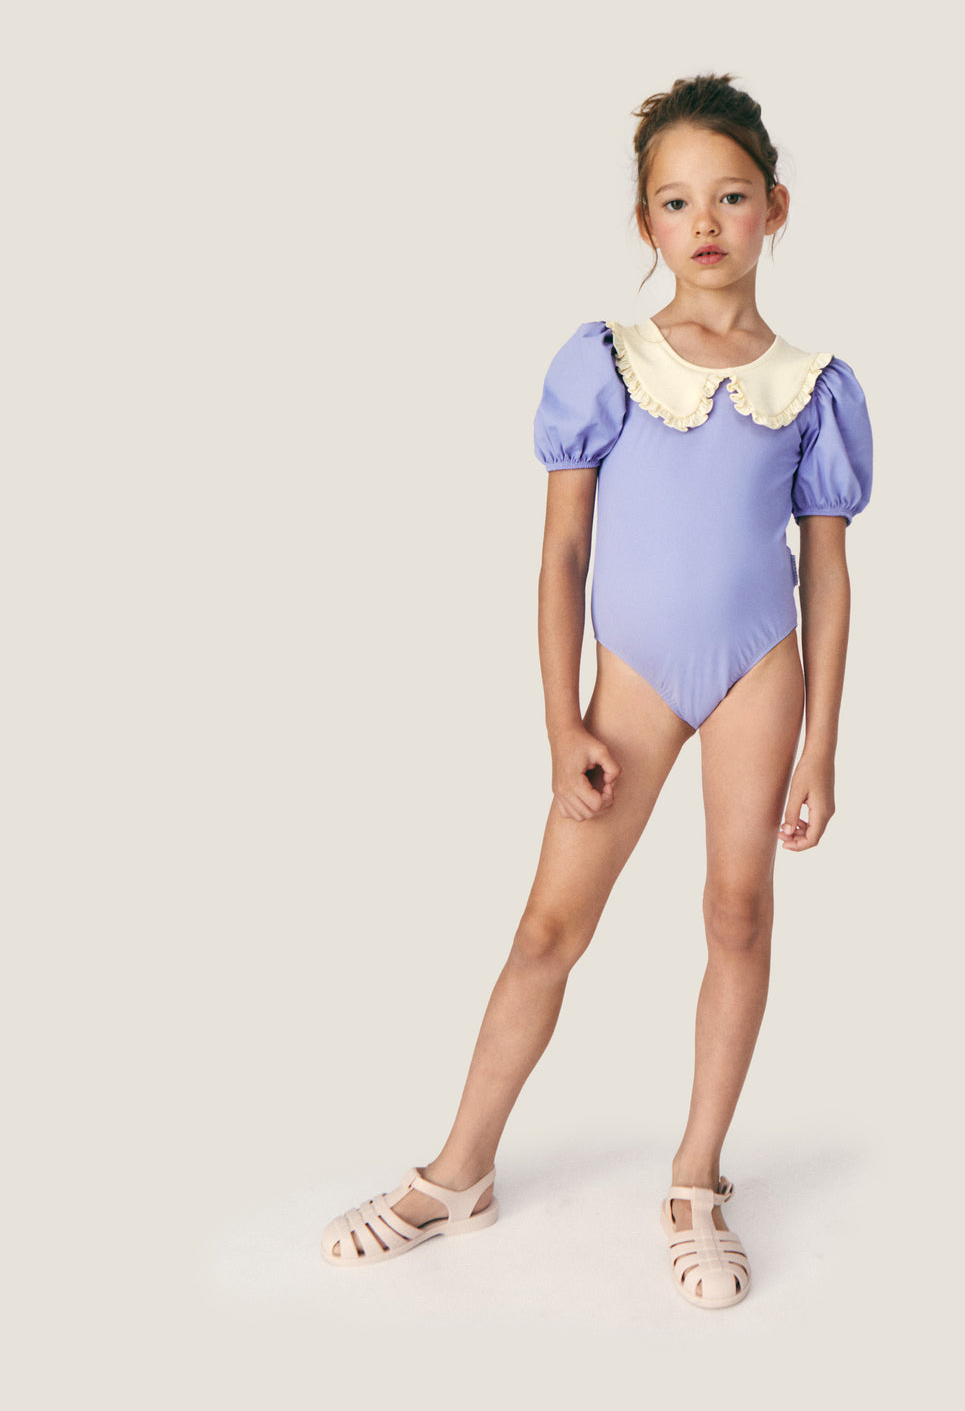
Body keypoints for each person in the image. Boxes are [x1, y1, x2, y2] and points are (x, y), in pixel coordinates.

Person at [320, 71, 874, 1310]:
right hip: (626, 676)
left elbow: (827, 573)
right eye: (676, 201)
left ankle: (696, 1180)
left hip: (757, 671)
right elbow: (562, 551)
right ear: (645, 223)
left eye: (730, 195)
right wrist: (560, 715)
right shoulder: (609, 363)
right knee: (546, 929)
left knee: (738, 913)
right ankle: (456, 1172)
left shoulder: (812, 384)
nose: (705, 221)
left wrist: (821, 746)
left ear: (775, 206)